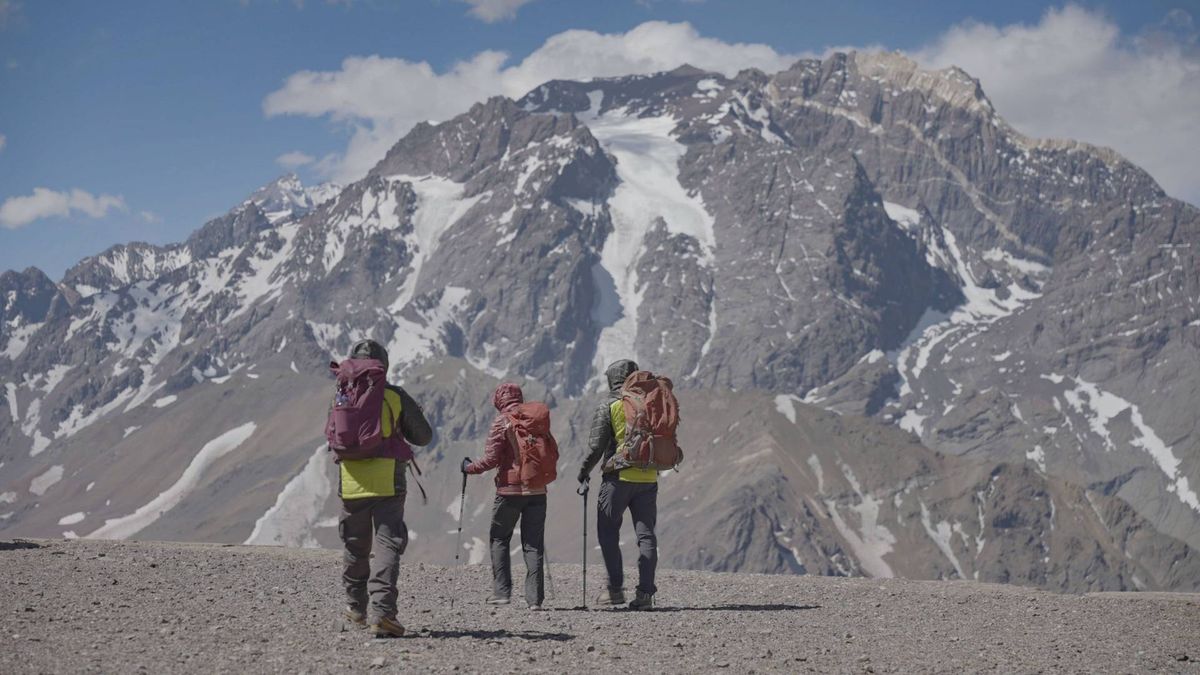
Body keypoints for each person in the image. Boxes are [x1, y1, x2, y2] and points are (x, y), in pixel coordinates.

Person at [333, 339, 432, 638]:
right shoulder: (394, 395)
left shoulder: (342, 394)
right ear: (383, 366)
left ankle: (355, 608)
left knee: (355, 545)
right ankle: (383, 614)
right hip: (389, 481)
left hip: (351, 481)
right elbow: (423, 436)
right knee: (387, 544)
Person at [577, 359, 659, 610]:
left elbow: (596, 448)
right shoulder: (651, 403)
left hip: (618, 479)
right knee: (646, 536)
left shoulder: (610, 405)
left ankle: (615, 590)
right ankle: (645, 594)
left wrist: (583, 472)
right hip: (648, 478)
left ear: (612, 379)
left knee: (608, 532)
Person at [462, 383, 549, 610]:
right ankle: (535, 600)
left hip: (509, 491)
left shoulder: (502, 421)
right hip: (537, 489)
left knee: (500, 538)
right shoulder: (536, 419)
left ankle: (502, 593)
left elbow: (491, 460)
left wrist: (469, 468)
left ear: (499, 400)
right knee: (533, 544)